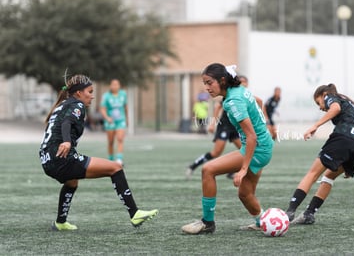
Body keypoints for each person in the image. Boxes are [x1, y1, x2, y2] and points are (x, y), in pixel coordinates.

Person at [39, 74, 158, 231]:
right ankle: (134, 213)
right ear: (79, 93)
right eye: (90, 91)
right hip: (62, 158)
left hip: (46, 159)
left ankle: (60, 222)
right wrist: (67, 141)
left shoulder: (63, 105)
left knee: (72, 181)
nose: (92, 96)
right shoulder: (78, 105)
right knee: (115, 168)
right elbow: (67, 122)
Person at [181, 63, 274, 234]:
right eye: (205, 83)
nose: (207, 88)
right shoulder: (237, 91)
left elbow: (252, 136)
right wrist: (264, 123)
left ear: (222, 80)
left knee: (208, 170)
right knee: (245, 194)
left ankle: (207, 222)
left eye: (210, 83)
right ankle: (264, 222)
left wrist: (243, 169)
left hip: (257, 148)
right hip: (264, 145)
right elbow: (258, 101)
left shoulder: (233, 101)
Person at [285, 83, 354, 224]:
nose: (320, 107)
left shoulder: (331, 96)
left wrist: (315, 126)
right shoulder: (350, 102)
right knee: (329, 177)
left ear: (323, 94)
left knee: (312, 174)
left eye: (318, 102)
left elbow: (335, 108)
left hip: (345, 138)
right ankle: (309, 214)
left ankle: (289, 212)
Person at [185, 76, 248, 180]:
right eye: (241, 82)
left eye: (245, 82)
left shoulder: (245, 95)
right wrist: (212, 123)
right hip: (224, 126)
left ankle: (231, 172)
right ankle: (192, 166)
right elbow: (218, 106)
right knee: (216, 153)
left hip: (235, 128)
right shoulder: (232, 94)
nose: (243, 84)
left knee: (245, 151)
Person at [100, 79, 128, 165]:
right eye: (113, 84)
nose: (115, 86)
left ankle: (119, 159)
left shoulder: (123, 94)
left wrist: (127, 118)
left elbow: (125, 107)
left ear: (119, 86)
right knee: (111, 141)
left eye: (117, 84)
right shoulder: (106, 96)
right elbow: (103, 109)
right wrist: (107, 118)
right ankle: (111, 159)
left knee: (120, 139)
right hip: (110, 121)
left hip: (121, 121)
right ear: (110, 86)